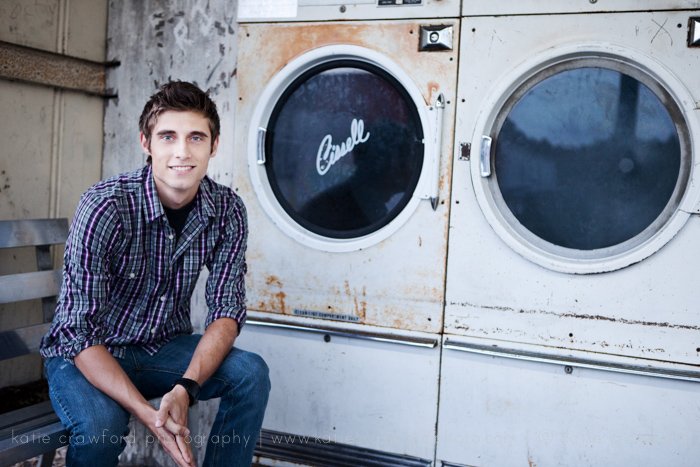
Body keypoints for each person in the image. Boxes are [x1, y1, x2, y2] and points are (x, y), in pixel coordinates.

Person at [40, 81, 270, 467]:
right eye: (168, 137)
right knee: (100, 429)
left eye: (196, 137)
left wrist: (186, 387)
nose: (182, 152)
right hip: (86, 353)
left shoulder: (227, 210)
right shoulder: (105, 206)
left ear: (214, 146)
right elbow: (78, 332)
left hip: (161, 349)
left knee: (250, 373)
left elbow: (226, 311)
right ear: (146, 143)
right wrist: (149, 416)